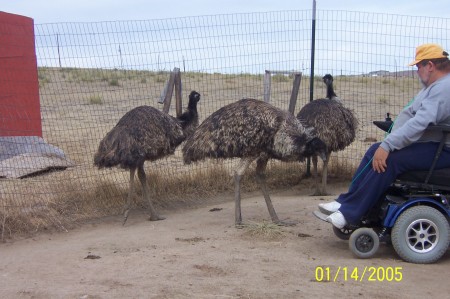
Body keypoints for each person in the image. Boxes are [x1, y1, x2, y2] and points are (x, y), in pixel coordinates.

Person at [319, 43, 450, 229]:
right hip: (434, 144)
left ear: (430, 65)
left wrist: (388, 145)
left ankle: (350, 213)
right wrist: (389, 139)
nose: (417, 71)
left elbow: (420, 122)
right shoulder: (436, 86)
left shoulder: (442, 88)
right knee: (374, 150)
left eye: (418, 66)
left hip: (442, 149)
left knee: (390, 160)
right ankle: (347, 202)